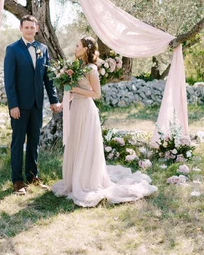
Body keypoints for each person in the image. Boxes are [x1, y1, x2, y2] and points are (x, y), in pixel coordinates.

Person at [52, 36, 157, 207]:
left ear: (86, 48)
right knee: (76, 143)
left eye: (77, 45)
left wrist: (75, 88)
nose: (75, 48)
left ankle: (86, 181)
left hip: (86, 110)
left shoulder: (91, 69)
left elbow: (96, 94)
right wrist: (61, 105)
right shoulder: (77, 67)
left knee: (86, 144)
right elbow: (71, 92)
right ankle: (73, 180)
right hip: (76, 109)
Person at [4, 15, 62, 194]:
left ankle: (32, 176)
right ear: (21, 29)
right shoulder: (12, 49)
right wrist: (13, 105)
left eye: (32, 27)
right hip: (19, 106)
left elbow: (48, 78)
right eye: (26, 27)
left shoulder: (42, 49)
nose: (29, 30)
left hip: (37, 104)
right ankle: (17, 181)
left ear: (37, 29)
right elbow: (9, 80)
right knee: (18, 141)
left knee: (34, 141)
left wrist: (53, 100)